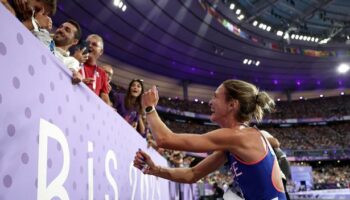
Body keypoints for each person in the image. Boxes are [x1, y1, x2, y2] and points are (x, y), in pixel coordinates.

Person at [133, 79, 287, 200]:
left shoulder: (237, 136)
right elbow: (192, 174)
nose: (210, 102)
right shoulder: (237, 140)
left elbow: (164, 139)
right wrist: (156, 170)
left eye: (215, 96)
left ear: (232, 104)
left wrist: (149, 108)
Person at [79, 34, 111, 105]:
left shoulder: (102, 73)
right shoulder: (75, 62)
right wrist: (80, 84)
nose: (89, 45)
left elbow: (105, 97)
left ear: (101, 52)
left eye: (94, 44)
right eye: (87, 43)